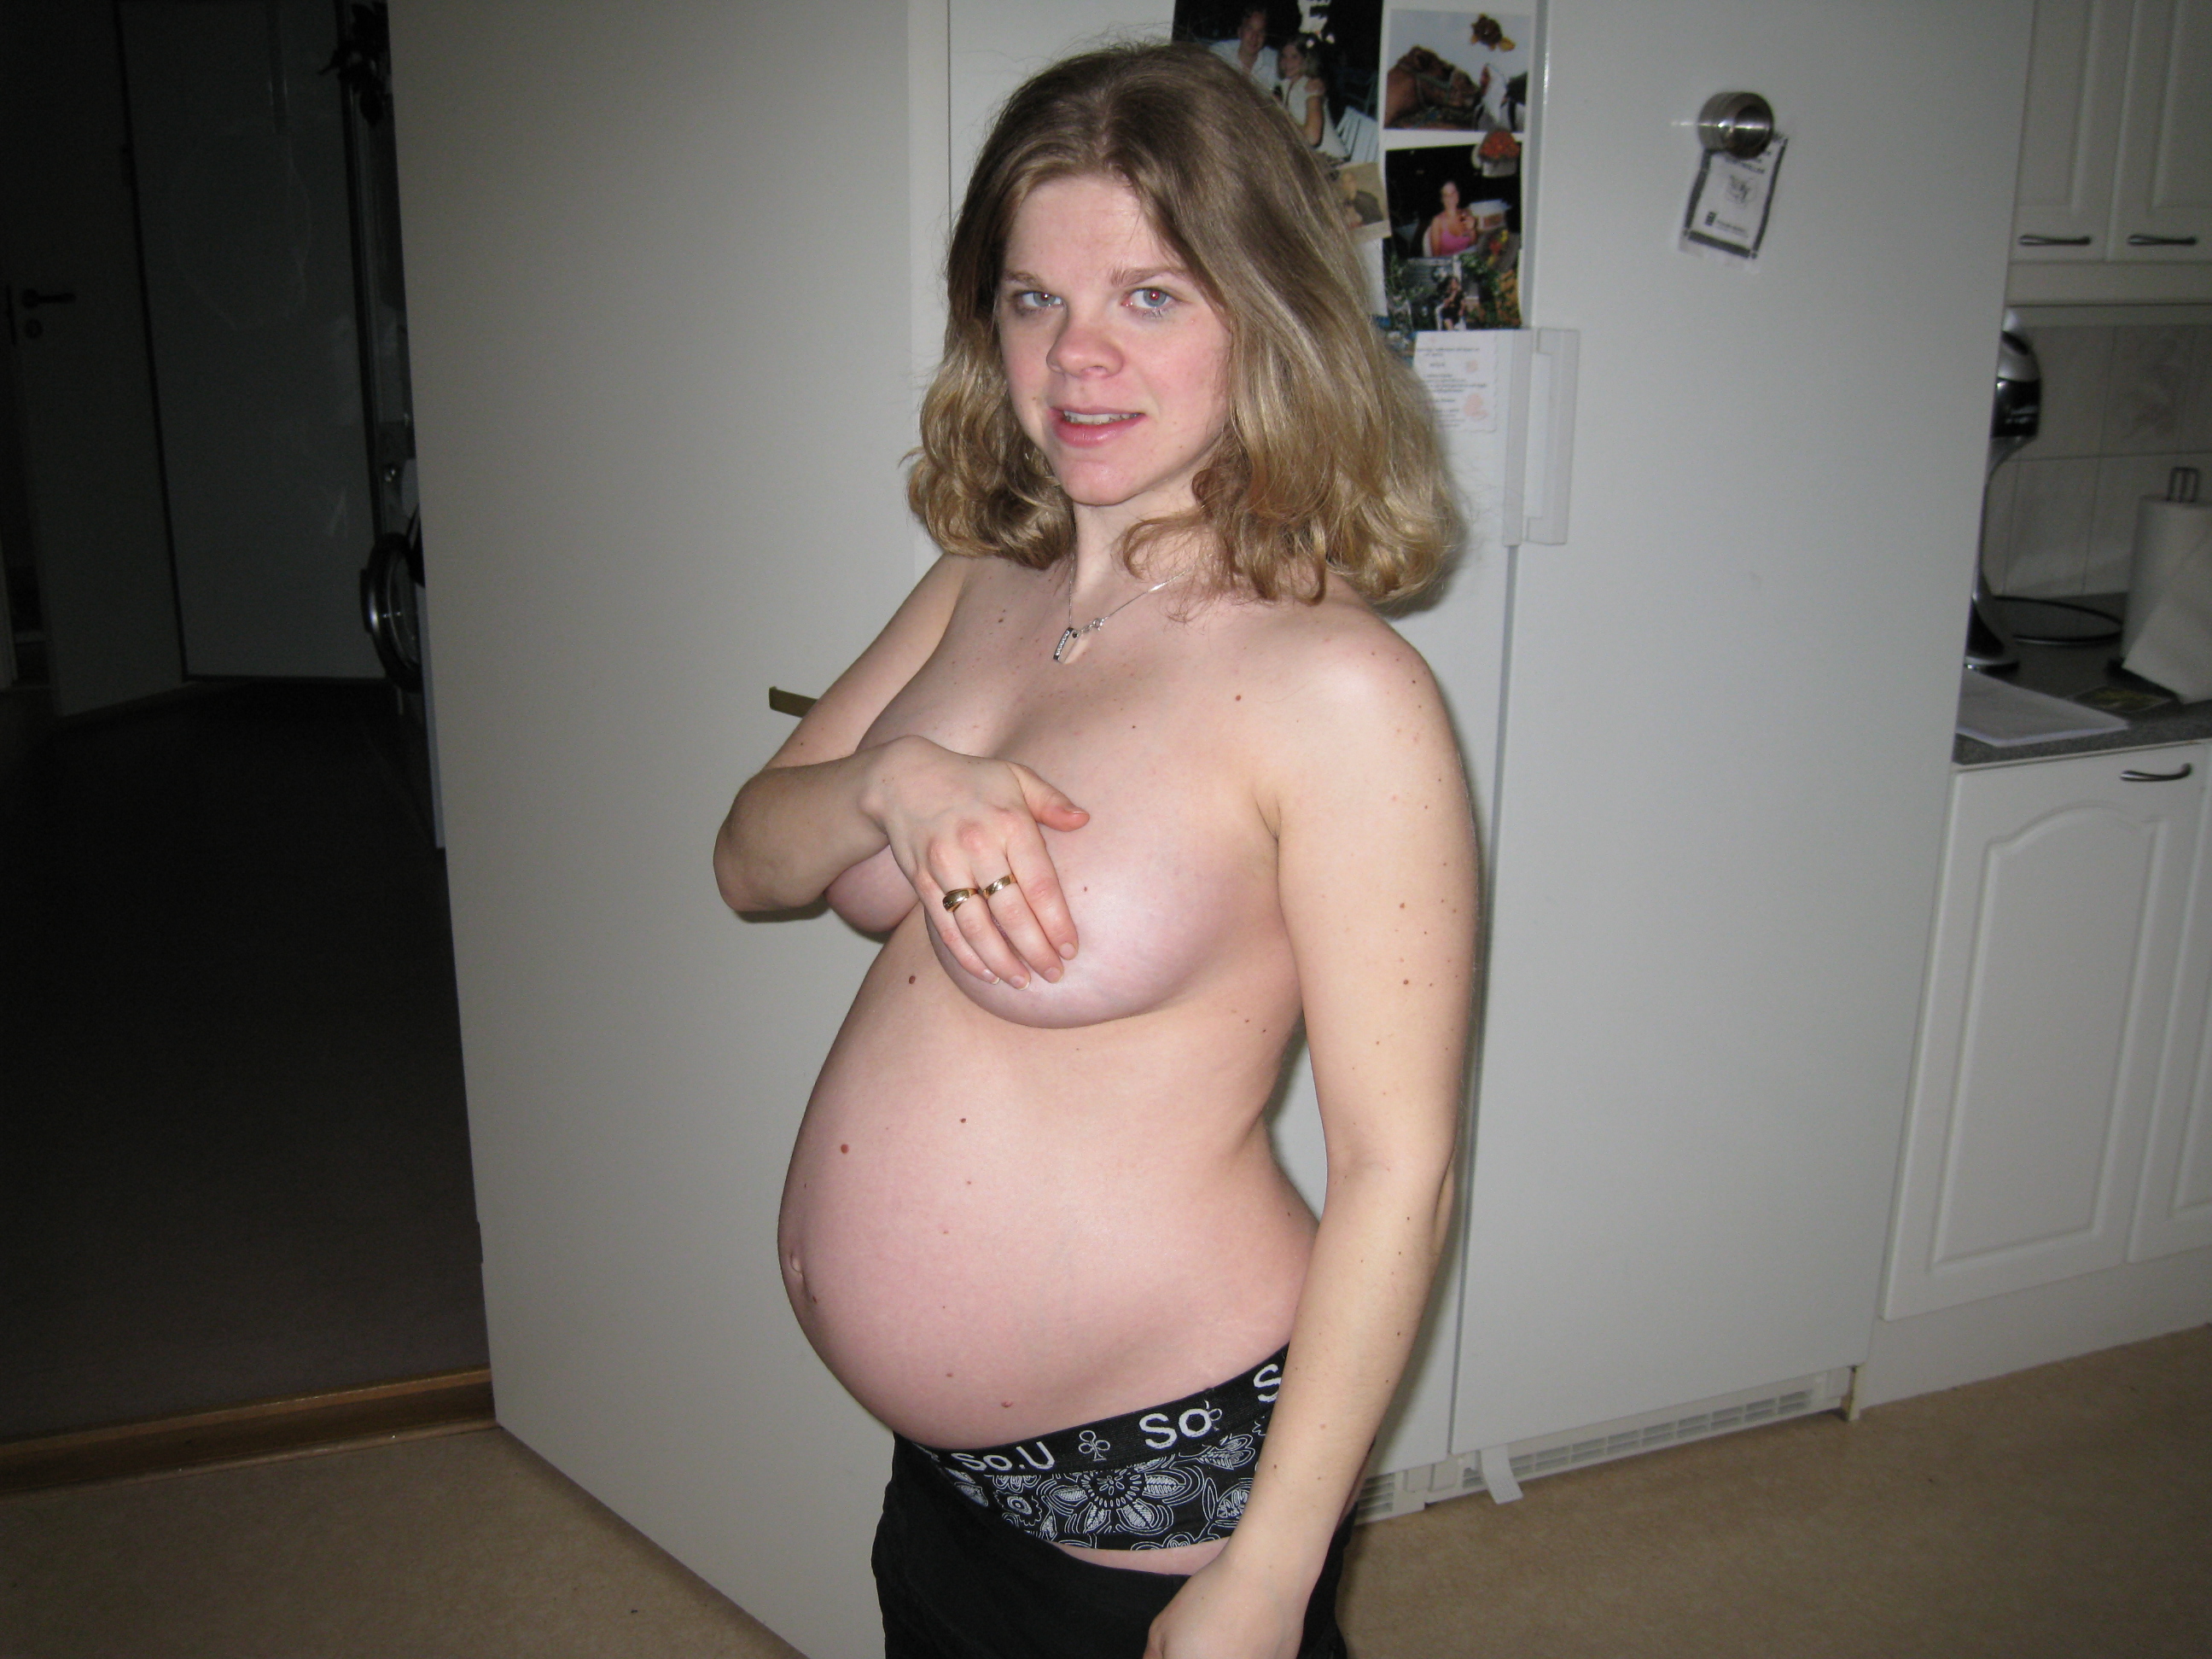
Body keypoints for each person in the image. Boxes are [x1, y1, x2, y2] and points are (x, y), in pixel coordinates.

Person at [713, 42, 1476, 1659]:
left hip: (1161, 1497)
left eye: (1148, 296)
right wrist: (892, 783)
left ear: (1265, 314)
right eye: (1032, 298)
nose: (1075, 356)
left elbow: (1398, 1170)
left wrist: (1268, 1577)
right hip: (940, 1483)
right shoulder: (981, 581)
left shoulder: (1339, 690)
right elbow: (748, 856)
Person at [1275, 35, 1346, 160]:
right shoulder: (1286, 85)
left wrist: (1285, 126)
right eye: (1284, 56)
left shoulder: (1311, 87)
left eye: (1294, 57)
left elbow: (1312, 138)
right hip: (1310, 158)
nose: (1287, 62)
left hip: (1332, 159)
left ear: (1306, 59)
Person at [1209, 5, 1280, 96]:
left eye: (1261, 31)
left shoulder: (1274, 61)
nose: (1255, 37)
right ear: (1240, 32)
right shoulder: (1220, 53)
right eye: (1249, 29)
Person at [1423, 178, 1476, 257]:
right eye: (1446, 195)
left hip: (1466, 261)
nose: (1450, 198)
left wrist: (1472, 229)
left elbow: (1473, 248)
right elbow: (1436, 258)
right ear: (1442, 199)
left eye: (1453, 193)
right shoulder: (1437, 221)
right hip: (1447, 264)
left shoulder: (1466, 213)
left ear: (1458, 194)